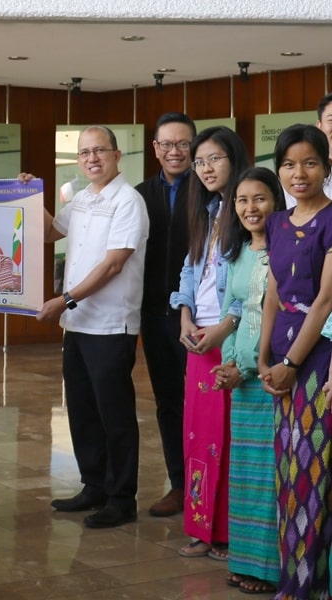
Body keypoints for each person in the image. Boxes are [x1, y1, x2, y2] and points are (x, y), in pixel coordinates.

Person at [31, 125, 149, 528]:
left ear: (117, 155)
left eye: (100, 151)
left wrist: (64, 299)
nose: (92, 159)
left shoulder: (129, 202)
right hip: (77, 323)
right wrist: (29, 198)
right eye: (84, 153)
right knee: (81, 409)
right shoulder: (81, 198)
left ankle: (121, 498)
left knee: (113, 413)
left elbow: (114, 263)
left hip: (111, 325)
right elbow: (50, 233)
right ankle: (94, 485)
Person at [258, 124, 332, 600]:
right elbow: (273, 292)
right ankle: (292, 580)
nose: (297, 172)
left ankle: (309, 588)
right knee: (288, 475)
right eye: (288, 163)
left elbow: (326, 300)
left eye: (309, 162)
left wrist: (288, 361)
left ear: (326, 166)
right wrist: (265, 357)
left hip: (317, 360)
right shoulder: (277, 222)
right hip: (281, 361)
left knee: (313, 476)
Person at [170, 126, 249, 559]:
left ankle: (226, 531)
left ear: (234, 159)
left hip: (231, 338)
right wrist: (184, 313)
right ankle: (201, 527)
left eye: (214, 158)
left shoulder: (249, 209)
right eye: (200, 162)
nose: (205, 168)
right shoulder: (208, 211)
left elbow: (255, 280)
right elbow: (190, 269)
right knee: (198, 436)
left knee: (229, 437)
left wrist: (223, 328)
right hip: (198, 336)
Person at [211, 167, 285, 594]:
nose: (250, 207)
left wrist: (251, 366)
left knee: (270, 476)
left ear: (275, 201)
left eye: (259, 198)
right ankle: (244, 561)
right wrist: (227, 364)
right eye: (241, 200)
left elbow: (281, 318)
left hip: (274, 376)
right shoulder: (235, 254)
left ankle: (270, 567)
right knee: (245, 478)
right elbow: (232, 313)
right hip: (241, 383)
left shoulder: (285, 251)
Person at [135, 112, 195, 517]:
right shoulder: (137, 195)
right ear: (155, 148)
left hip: (202, 318)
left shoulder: (211, 190)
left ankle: (211, 487)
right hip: (155, 315)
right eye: (166, 144)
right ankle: (179, 484)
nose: (174, 152)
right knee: (168, 401)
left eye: (183, 144)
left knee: (207, 400)